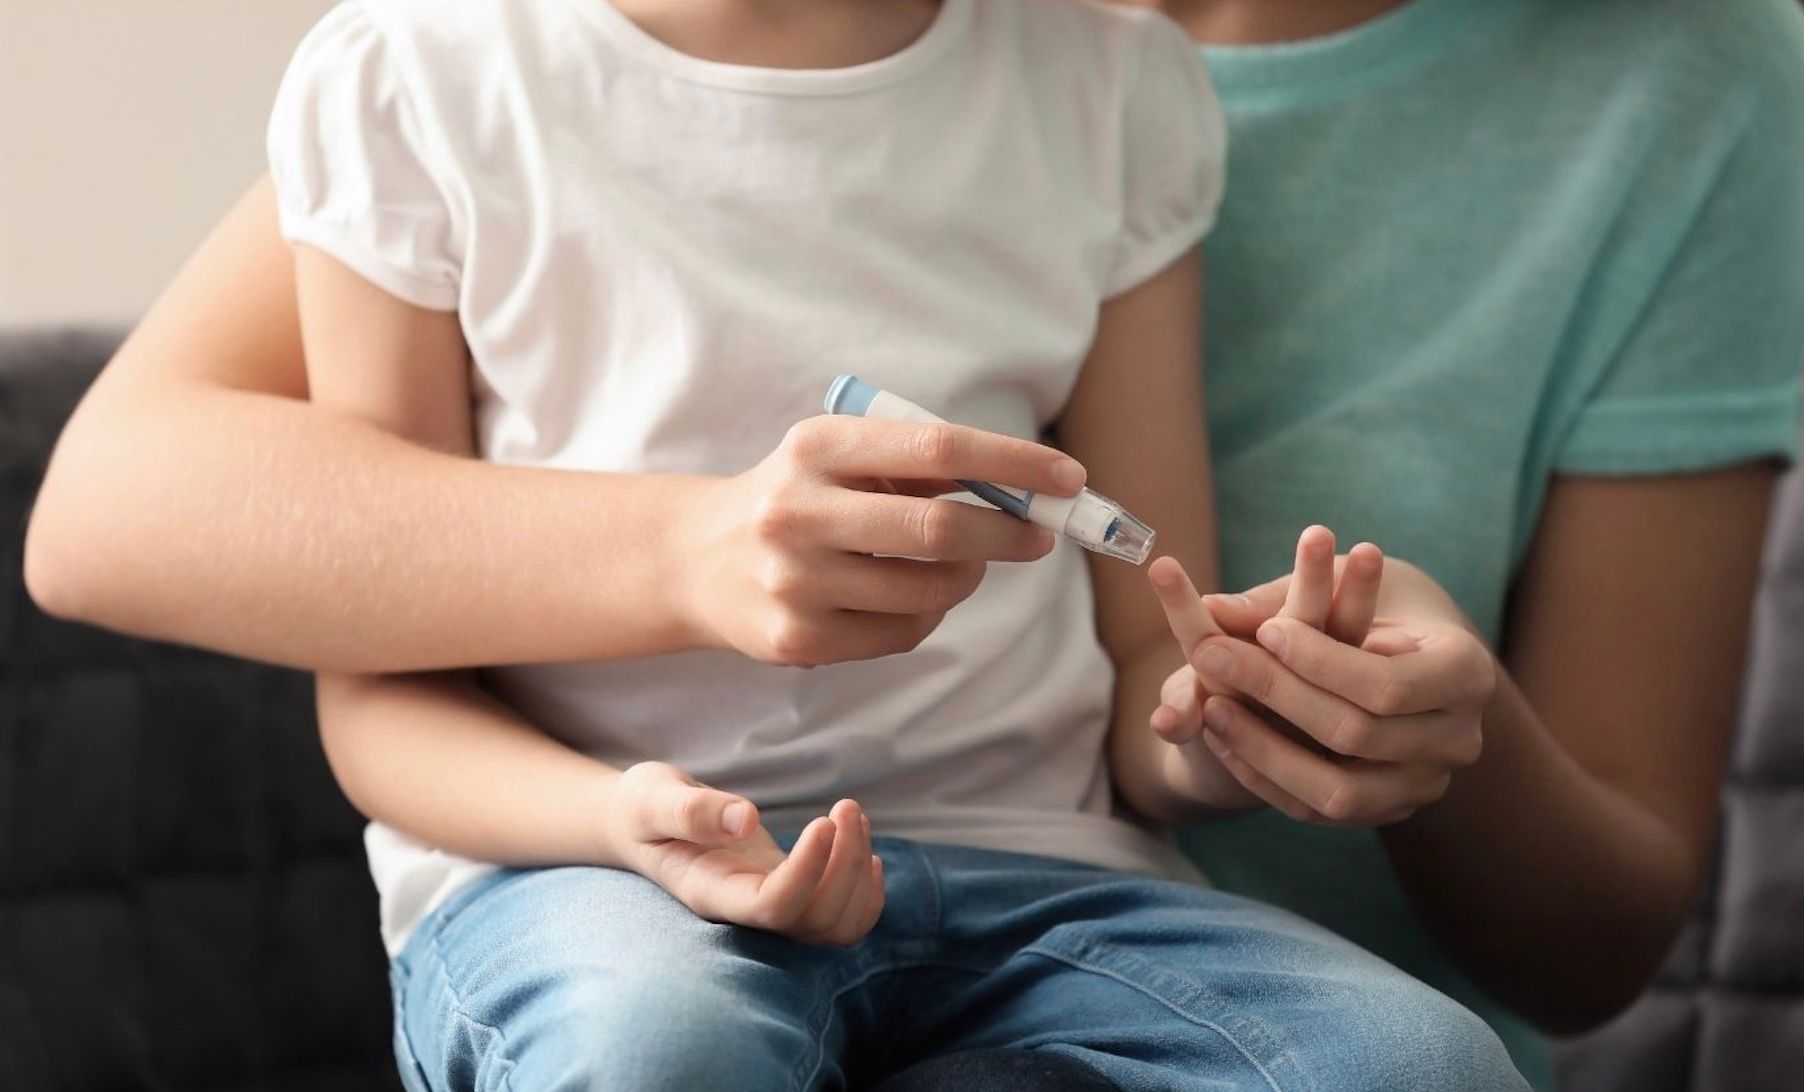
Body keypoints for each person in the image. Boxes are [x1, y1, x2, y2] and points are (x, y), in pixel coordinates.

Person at [23, 0, 1803, 1088]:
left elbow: (1151, 687)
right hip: (620, 893)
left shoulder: (1105, 105)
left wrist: (1246, 715)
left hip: (1053, 886)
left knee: (1413, 1060)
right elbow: (171, 549)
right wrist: (655, 655)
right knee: (660, 1042)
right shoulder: (432, 82)